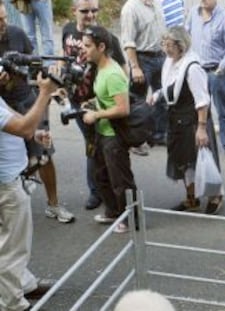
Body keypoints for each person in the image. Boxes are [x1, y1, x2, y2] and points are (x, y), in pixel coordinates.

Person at [0, 1, 74, 223]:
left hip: (26, 100)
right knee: (9, 160)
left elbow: (33, 63)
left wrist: (43, 93)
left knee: (44, 152)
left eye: (4, 17)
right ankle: (17, 188)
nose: (4, 23)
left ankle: (53, 205)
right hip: (3, 107)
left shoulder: (16, 33)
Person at [0, 71, 58, 311]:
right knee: (13, 247)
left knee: (11, 241)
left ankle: (23, 283)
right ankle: (11, 303)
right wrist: (45, 92)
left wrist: (35, 132)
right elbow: (22, 127)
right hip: (6, 185)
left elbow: (15, 122)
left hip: (10, 179)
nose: (4, 73)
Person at [61, 0, 127, 210]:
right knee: (93, 146)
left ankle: (101, 193)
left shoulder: (105, 38)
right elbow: (64, 58)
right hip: (76, 100)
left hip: (98, 105)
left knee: (97, 147)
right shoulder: (68, 30)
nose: (90, 15)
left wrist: (106, 100)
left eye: (94, 11)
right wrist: (60, 83)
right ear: (74, 11)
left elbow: (123, 72)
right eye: (85, 11)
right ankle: (103, 191)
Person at [153, 26, 223, 214]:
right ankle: (191, 198)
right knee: (184, 162)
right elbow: (170, 88)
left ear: (181, 46)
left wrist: (201, 128)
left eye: (170, 45)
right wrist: (158, 94)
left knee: (201, 160)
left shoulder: (193, 68)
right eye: (164, 45)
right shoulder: (171, 63)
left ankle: (215, 195)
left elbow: (202, 101)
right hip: (177, 120)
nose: (166, 49)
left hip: (193, 122)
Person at [81, 25, 136, 234]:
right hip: (101, 133)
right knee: (101, 176)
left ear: (101, 46)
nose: (83, 50)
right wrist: (93, 103)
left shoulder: (113, 73)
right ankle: (113, 211)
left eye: (87, 46)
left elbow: (123, 109)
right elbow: (106, 98)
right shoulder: (100, 69)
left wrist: (95, 114)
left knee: (120, 181)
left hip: (114, 136)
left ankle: (132, 219)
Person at [186, 0, 225, 164]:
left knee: (223, 111)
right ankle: (204, 146)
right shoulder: (193, 13)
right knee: (200, 110)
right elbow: (186, 37)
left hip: (216, 71)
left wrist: (223, 65)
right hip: (197, 71)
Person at [121, 0, 167, 146]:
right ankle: (135, 137)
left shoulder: (157, 3)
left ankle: (158, 134)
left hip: (161, 56)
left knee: (162, 98)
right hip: (142, 58)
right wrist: (135, 67)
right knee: (137, 101)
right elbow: (128, 40)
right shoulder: (131, 8)